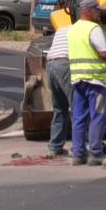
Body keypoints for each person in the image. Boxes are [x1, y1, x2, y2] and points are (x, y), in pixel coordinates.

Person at [68, 0, 106, 166]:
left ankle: (78, 155)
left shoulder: (73, 29)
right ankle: (96, 152)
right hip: (96, 82)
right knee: (98, 116)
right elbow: (103, 54)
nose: (99, 13)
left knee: (78, 118)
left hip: (78, 81)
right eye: (97, 10)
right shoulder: (94, 29)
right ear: (89, 11)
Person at [45, 25, 72, 157]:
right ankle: (81, 147)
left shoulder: (61, 29)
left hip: (50, 65)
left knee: (59, 108)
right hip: (65, 65)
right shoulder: (84, 29)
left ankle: (54, 147)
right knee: (79, 108)